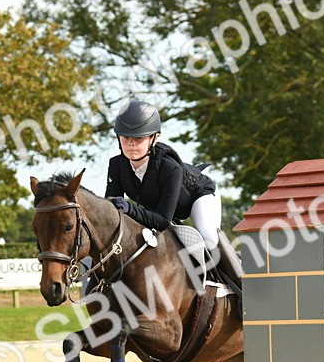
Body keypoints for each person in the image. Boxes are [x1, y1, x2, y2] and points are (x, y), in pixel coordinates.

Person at [104, 100, 242, 292]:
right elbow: (111, 211)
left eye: (139, 138)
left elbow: (162, 221)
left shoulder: (170, 167)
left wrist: (129, 208)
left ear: (154, 138)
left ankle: (245, 288)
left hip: (198, 197)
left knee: (209, 237)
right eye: (125, 137)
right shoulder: (116, 165)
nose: (131, 143)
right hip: (162, 207)